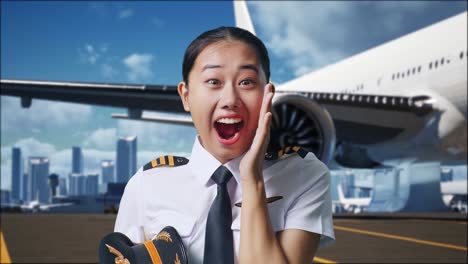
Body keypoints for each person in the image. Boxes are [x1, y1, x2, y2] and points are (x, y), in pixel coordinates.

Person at [114, 26, 335, 264]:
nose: (230, 100)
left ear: (268, 94)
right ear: (185, 96)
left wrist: (253, 181)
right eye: (213, 81)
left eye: (247, 82)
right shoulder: (146, 184)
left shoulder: (304, 175)